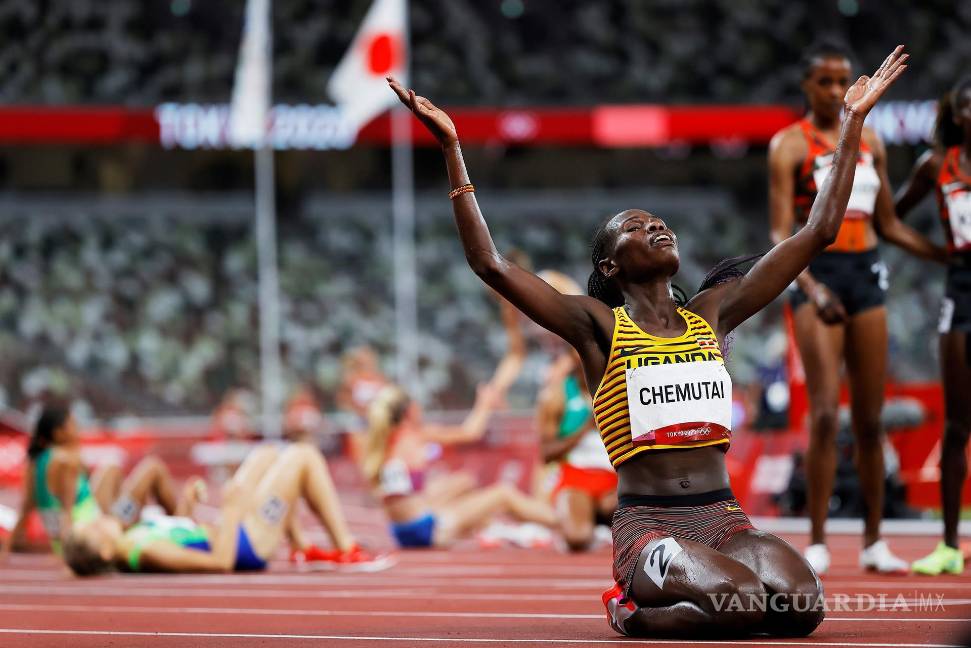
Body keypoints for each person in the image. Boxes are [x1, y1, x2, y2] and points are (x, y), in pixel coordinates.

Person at [388, 45, 906, 637]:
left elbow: (818, 232)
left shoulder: (714, 313)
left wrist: (852, 126)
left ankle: (685, 599)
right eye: (635, 227)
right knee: (741, 601)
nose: (656, 225)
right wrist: (454, 151)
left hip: (725, 519)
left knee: (801, 607)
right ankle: (631, 607)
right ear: (610, 266)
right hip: (651, 527)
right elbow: (490, 264)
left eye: (658, 220)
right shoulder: (597, 327)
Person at [768, 42, 942, 576]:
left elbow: (888, 224)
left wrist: (946, 255)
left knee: (869, 420)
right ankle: (817, 539)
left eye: (844, 78)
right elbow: (780, 233)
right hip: (817, 278)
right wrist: (814, 290)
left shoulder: (871, 140)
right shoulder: (788, 146)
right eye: (825, 81)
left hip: (867, 275)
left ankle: (873, 541)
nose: (837, 89)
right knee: (823, 415)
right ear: (807, 87)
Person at [61, 442, 393, 575]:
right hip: (249, 543)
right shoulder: (145, 551)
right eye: (91, 529)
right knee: (303, 455)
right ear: (104, 551)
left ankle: (302, 548)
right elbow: (219, 563)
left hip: (232, 529)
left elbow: (188, 536)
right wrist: (232, 508)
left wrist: (188, 507)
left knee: (265, 455)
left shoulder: (133, 538)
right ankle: (346, 548)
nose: (97, 520)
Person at [894, 80, 971, 576]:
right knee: (958, 424)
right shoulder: (936, 165)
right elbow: (890, 218)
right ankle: (948, 545)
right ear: (956, 114)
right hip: (961, 293)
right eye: (968, 105)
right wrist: (936, 253)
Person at [364, 382, 556, 549]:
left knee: (464, 481)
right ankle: (559, 523)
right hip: (427, 531)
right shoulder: (417, 435)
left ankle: (493, 528)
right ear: (410, 411)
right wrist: (484, 403)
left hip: (401, 533)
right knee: (503, 494)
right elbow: (470, 432)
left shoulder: (383, 442)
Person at [0, 405, 182, 560]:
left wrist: (10, 547)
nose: (77, 429)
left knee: (112, 469)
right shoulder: (66, 460)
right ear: (58, 433)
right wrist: (68, 556)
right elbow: (67, 511)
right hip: (95, 531)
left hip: (87, 521)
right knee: (153, 469)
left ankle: (130, 512)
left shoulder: (34, 463)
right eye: (72, 424)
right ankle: (182, 526)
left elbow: (26, 508)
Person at [534, 271, 617, 552]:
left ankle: (603, 520)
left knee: (643, 522)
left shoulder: (616, 385)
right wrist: (585, 427)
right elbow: (546, 454)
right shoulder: (557, 395)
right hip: (576, 476)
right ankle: (589, 522)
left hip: (615, 480)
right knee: (577, 539)